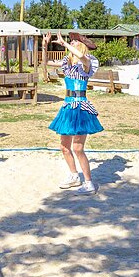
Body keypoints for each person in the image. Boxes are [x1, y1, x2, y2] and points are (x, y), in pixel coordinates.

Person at [46, 32, 103, 195]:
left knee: (78, 148)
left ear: (82, 45)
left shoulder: (88, 62)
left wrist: (65, 44)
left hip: (81, 107)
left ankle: (89, 183)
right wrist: (45, 45)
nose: (72, 43)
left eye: (75, 42)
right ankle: (73, 176)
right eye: (71, 41)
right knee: (64, 147)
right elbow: (45, 63)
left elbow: (82, 57)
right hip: (67, 106)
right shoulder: (68, 62)